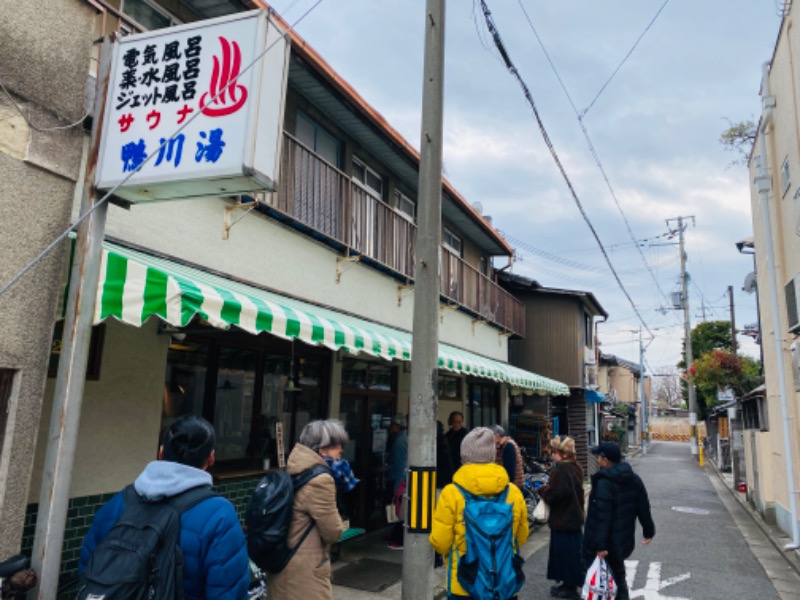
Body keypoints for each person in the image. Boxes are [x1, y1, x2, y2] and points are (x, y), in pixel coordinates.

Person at [79, 415, 249, 600]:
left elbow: (87, 573)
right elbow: (228, 593)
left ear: (161, 453)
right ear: (211, 458)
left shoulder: (117, 504)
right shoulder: (219, 516)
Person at [429, 427, 530, 599]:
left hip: (465, 583)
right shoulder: (512, 492)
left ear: (464, 456)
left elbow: (441, 543)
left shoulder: (451, 493)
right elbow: (521, 537)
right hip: (505, 582)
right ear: (492, 454)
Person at [268, 419, 348, 600]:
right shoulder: (321, 480)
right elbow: (333, 532)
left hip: (283, 563)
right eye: (338, 447)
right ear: (322, 449)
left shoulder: (296, 469)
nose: (341, 452)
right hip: (304, 574)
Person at [583, 442, 655, 600]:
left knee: (600, 582)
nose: (597, 459)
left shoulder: (604, 482)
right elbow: (643, 506)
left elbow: (603, 516)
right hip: (622, 539)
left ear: (606, 460)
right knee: (618, 577)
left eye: (599, 457)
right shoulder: (633, 478)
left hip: (603, 543)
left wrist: (600, 545)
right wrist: (648, 531)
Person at [538, 436, 585, 600]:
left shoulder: (561, 469)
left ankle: (570, 588)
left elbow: (556, 494)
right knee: (572, 554)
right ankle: (568, 585)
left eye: (555, 452)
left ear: (564, 454)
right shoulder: (576, 466)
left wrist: (544, 491)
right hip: (574, 516)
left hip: (563, 518)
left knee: (564, 554)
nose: (552, 455)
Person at [387, 413, 409, 549]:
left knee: (399, 510)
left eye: (392, 425)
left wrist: (396, 484)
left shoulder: (399, 442)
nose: (390, 428)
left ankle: (397, 538)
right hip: (403, 480)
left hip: (400, 481)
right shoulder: (405, 438)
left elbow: (399, 464)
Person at [491, 424, 525, 489]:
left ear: (497, 435)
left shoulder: (508, 446)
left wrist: (506, 485)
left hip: (513, 486)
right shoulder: (503, 445)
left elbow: (509, 471)